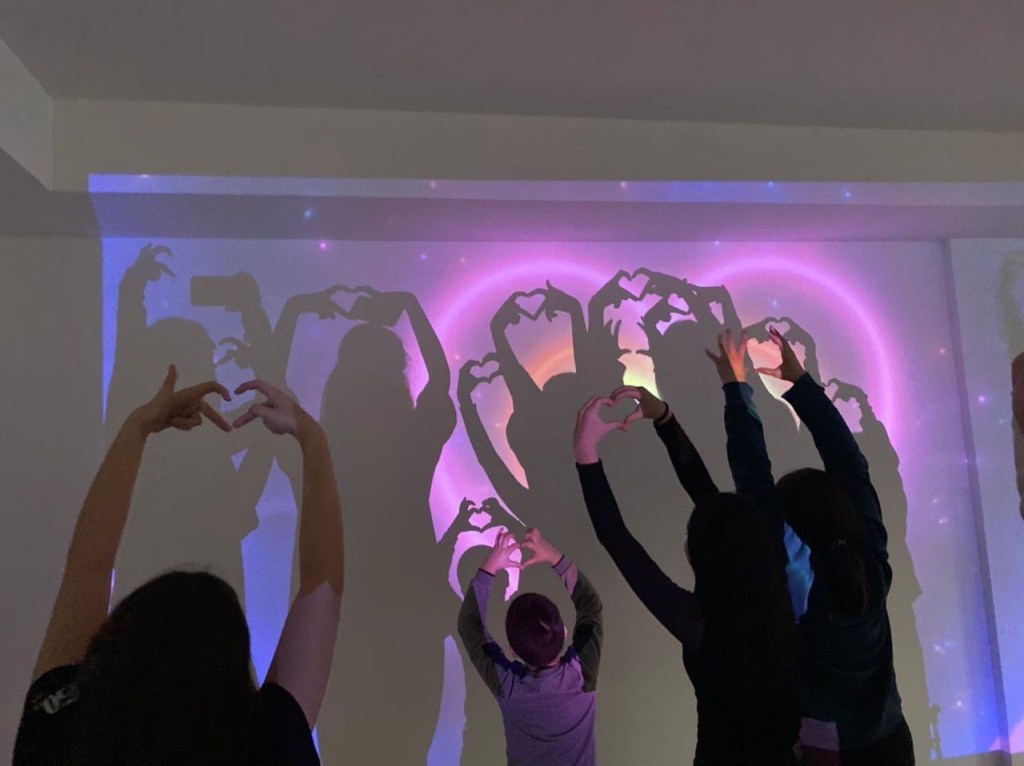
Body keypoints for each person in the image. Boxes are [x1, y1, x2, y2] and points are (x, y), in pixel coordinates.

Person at [14, 368, 343, 766]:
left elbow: (88, 567)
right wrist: (312, 438)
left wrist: (137, 428)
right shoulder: (270, 741)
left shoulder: (57, 724)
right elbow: (322, 588)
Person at [574, 370, 800, 763]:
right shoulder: (780, 584)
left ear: (699, 557)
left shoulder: (701, 623)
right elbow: (710, 503)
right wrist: (664, 419)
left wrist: (585, 455)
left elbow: (618, 540)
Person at [752, 326, 914, 764]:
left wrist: (742, 391)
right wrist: (802, 386)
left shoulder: (802, 590)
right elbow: (849, 463)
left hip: (831, 754)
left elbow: (760, 487)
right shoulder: (869, 559)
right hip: (891, 741)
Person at [458, 527, 603, 766]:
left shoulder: (508, 686)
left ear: (513, 651)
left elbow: (469, 624)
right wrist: (555, 557)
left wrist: (489, 568)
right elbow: (591, 605)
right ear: (564, 631)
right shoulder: (582, 674)